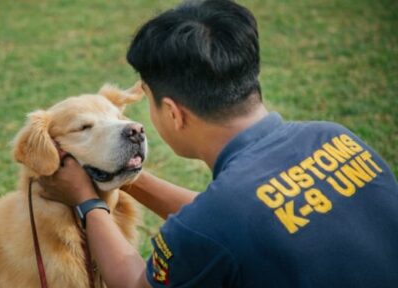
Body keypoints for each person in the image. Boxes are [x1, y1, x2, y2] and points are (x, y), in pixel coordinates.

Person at [39, 0, 398, 287]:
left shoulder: (216, 220)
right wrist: (124, 174)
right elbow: (242, 218)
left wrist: (87, 202)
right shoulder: (335, 136)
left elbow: (136, 283)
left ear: (174, 113)